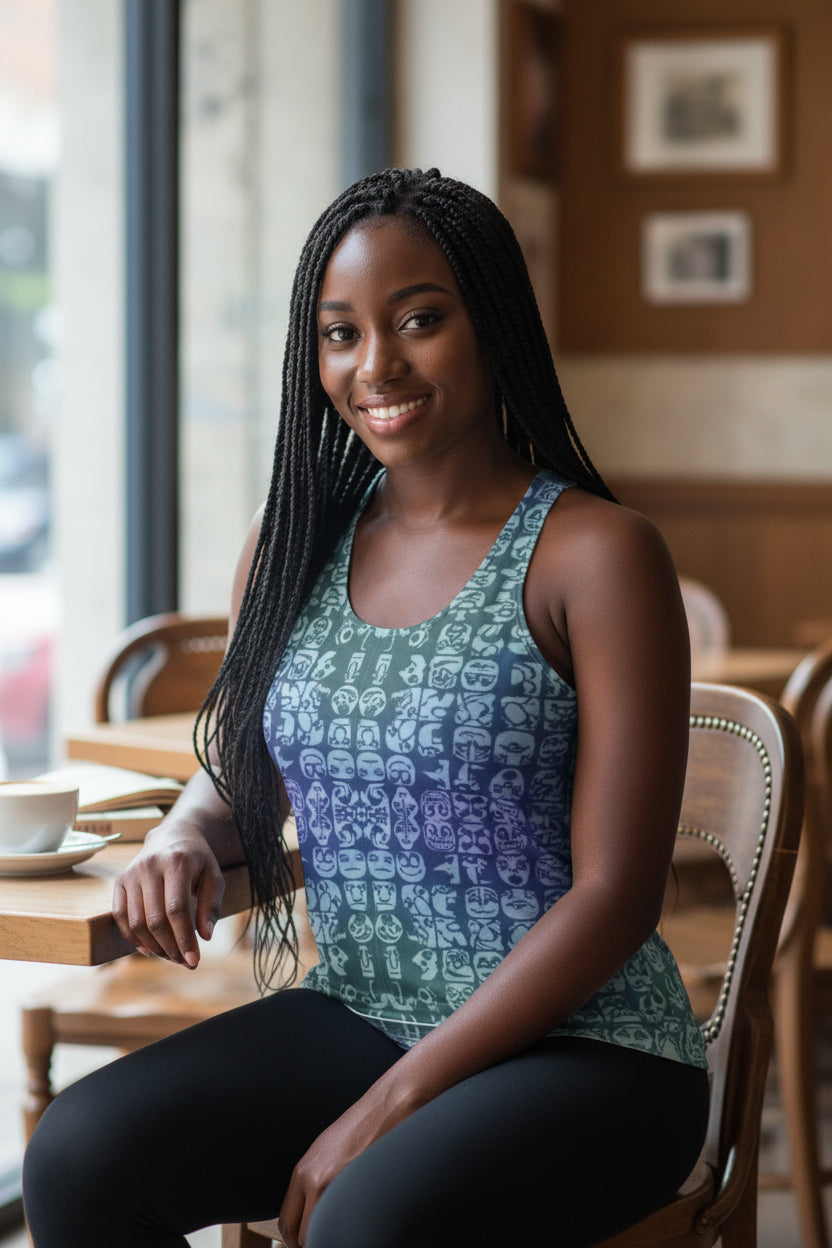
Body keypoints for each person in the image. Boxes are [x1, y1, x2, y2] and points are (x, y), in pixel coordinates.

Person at [23, 167, 709, 1248]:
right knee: (78, 1155)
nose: (376, 365)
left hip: (593, 1048)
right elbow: (245, 766)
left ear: (493, 325)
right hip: (364, 1009)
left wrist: (389, 1104)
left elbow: (616, 897)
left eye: (420, 321)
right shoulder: (290, 545)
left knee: (364, 1222)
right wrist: (185, 830)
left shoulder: (597, 553)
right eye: (341, 334)